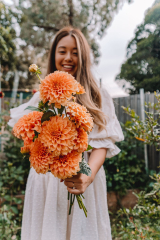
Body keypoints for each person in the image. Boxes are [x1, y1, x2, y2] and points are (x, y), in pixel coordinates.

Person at [8, 26, 124, 240]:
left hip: (83, 175)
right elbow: (28, 135)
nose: (68, 58)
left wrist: (87, 177)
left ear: (84, 56)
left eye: (75, 52)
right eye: (62, 51)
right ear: (54, 55)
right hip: (47, 181)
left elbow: (103, 143)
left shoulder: (98, 95)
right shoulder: (42, 95)